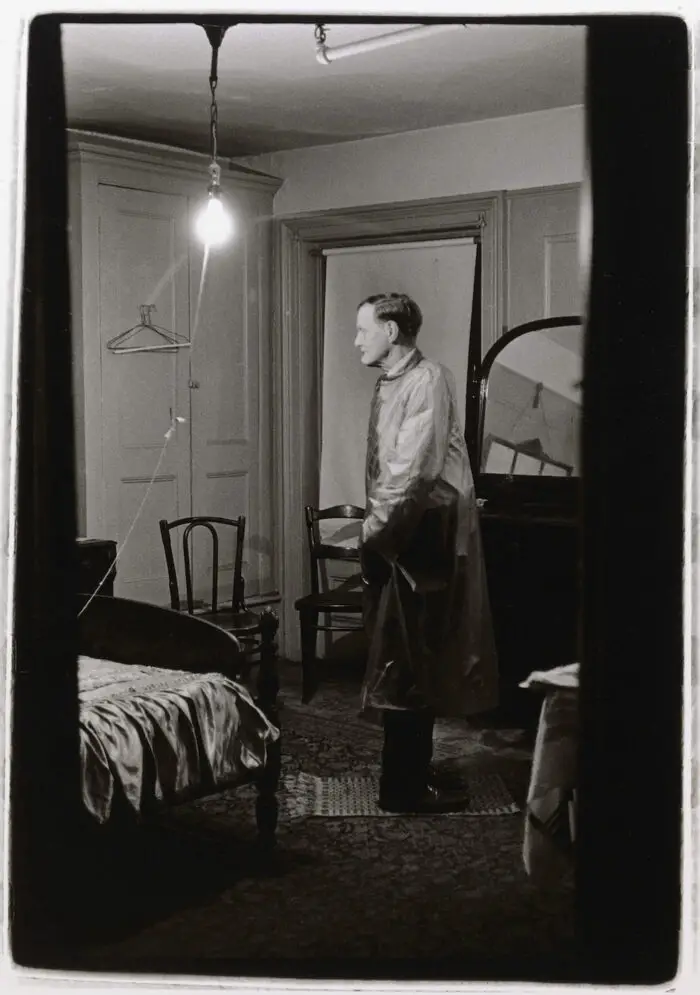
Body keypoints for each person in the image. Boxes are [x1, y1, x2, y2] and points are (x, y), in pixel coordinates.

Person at [355, 292, 498, 813]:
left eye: (363, 330)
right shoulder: (393, 382)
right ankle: (404, 785)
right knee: (402, 661)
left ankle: (407, 785)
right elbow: (389, 469)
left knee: (415, 661)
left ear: (392, 331)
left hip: (420, 540)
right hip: (401, 538)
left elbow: (412, 471)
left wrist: (376, 533)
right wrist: (378, 534)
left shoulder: (428, 379)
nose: (357, 341)